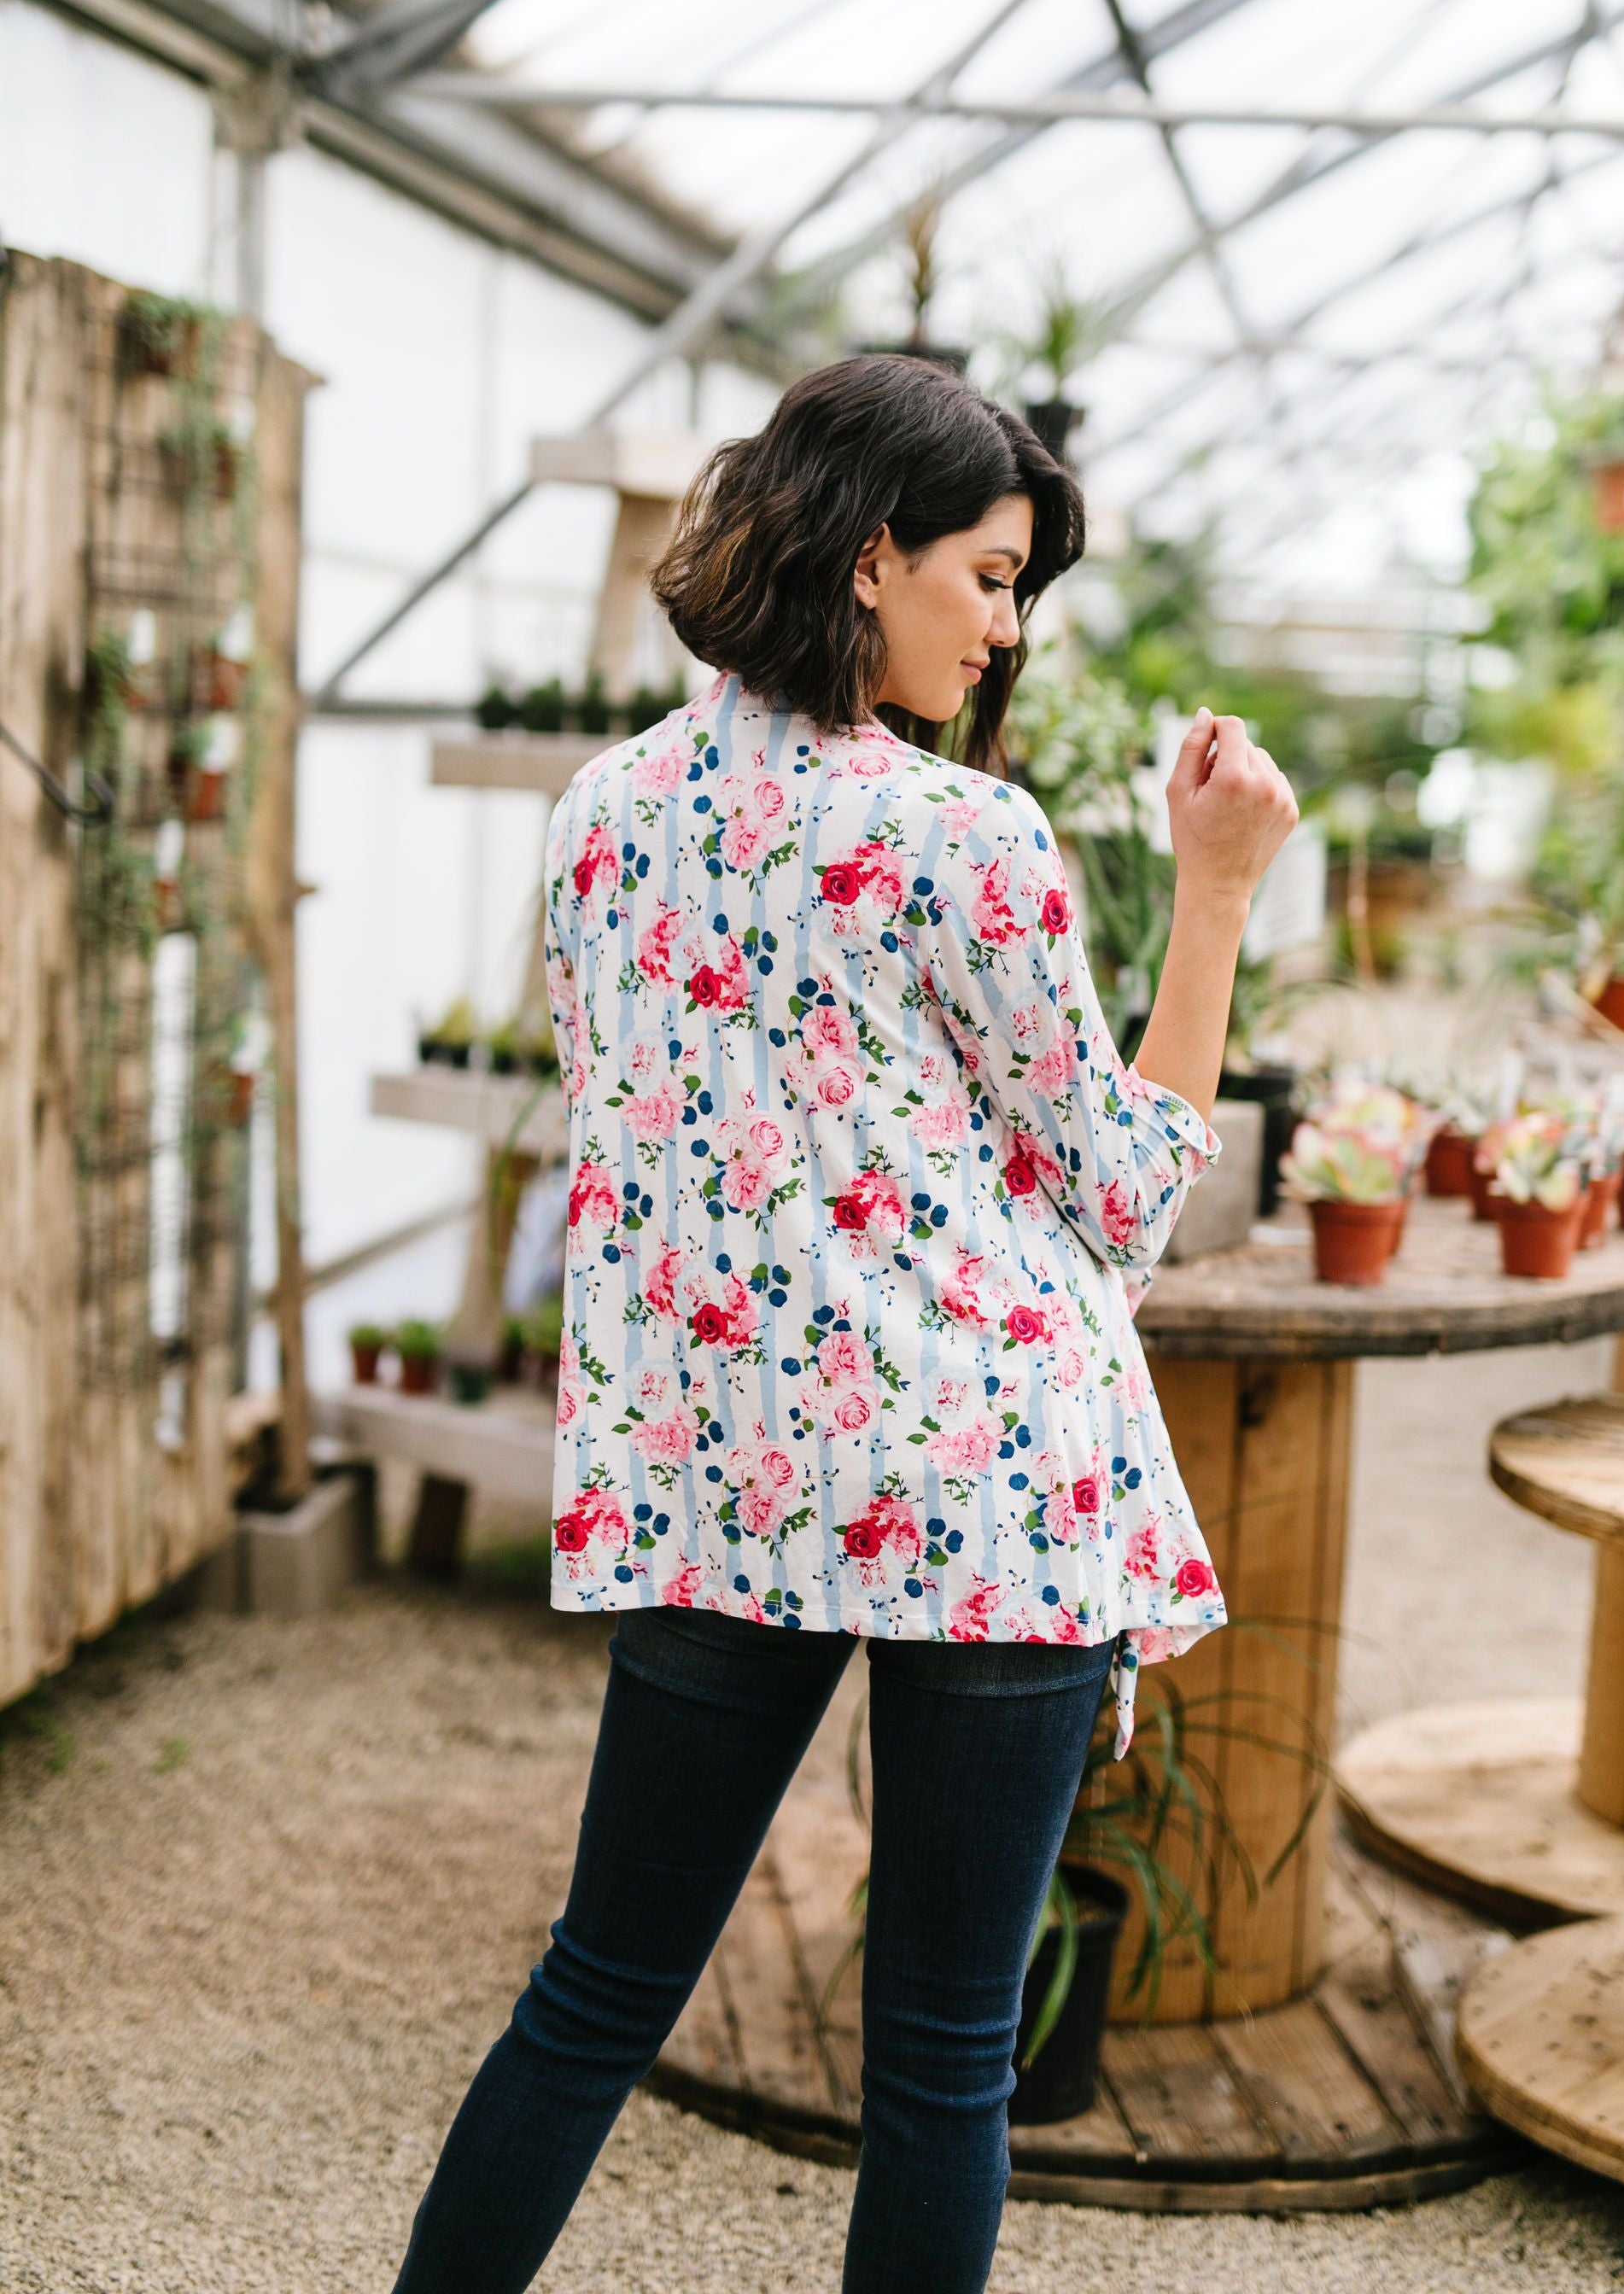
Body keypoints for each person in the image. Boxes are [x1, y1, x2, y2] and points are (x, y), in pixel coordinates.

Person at [392, 357, 1297, 2294]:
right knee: (941, 2066)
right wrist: (1214, 897)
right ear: (871, 555)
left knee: (591, 2001)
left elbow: (665, 1161)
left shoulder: (602, 811)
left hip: (728, 1478)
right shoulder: (970, 838)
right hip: (985, 1490)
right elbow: (1125, 1195)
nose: (1006, 627)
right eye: (988, 575)